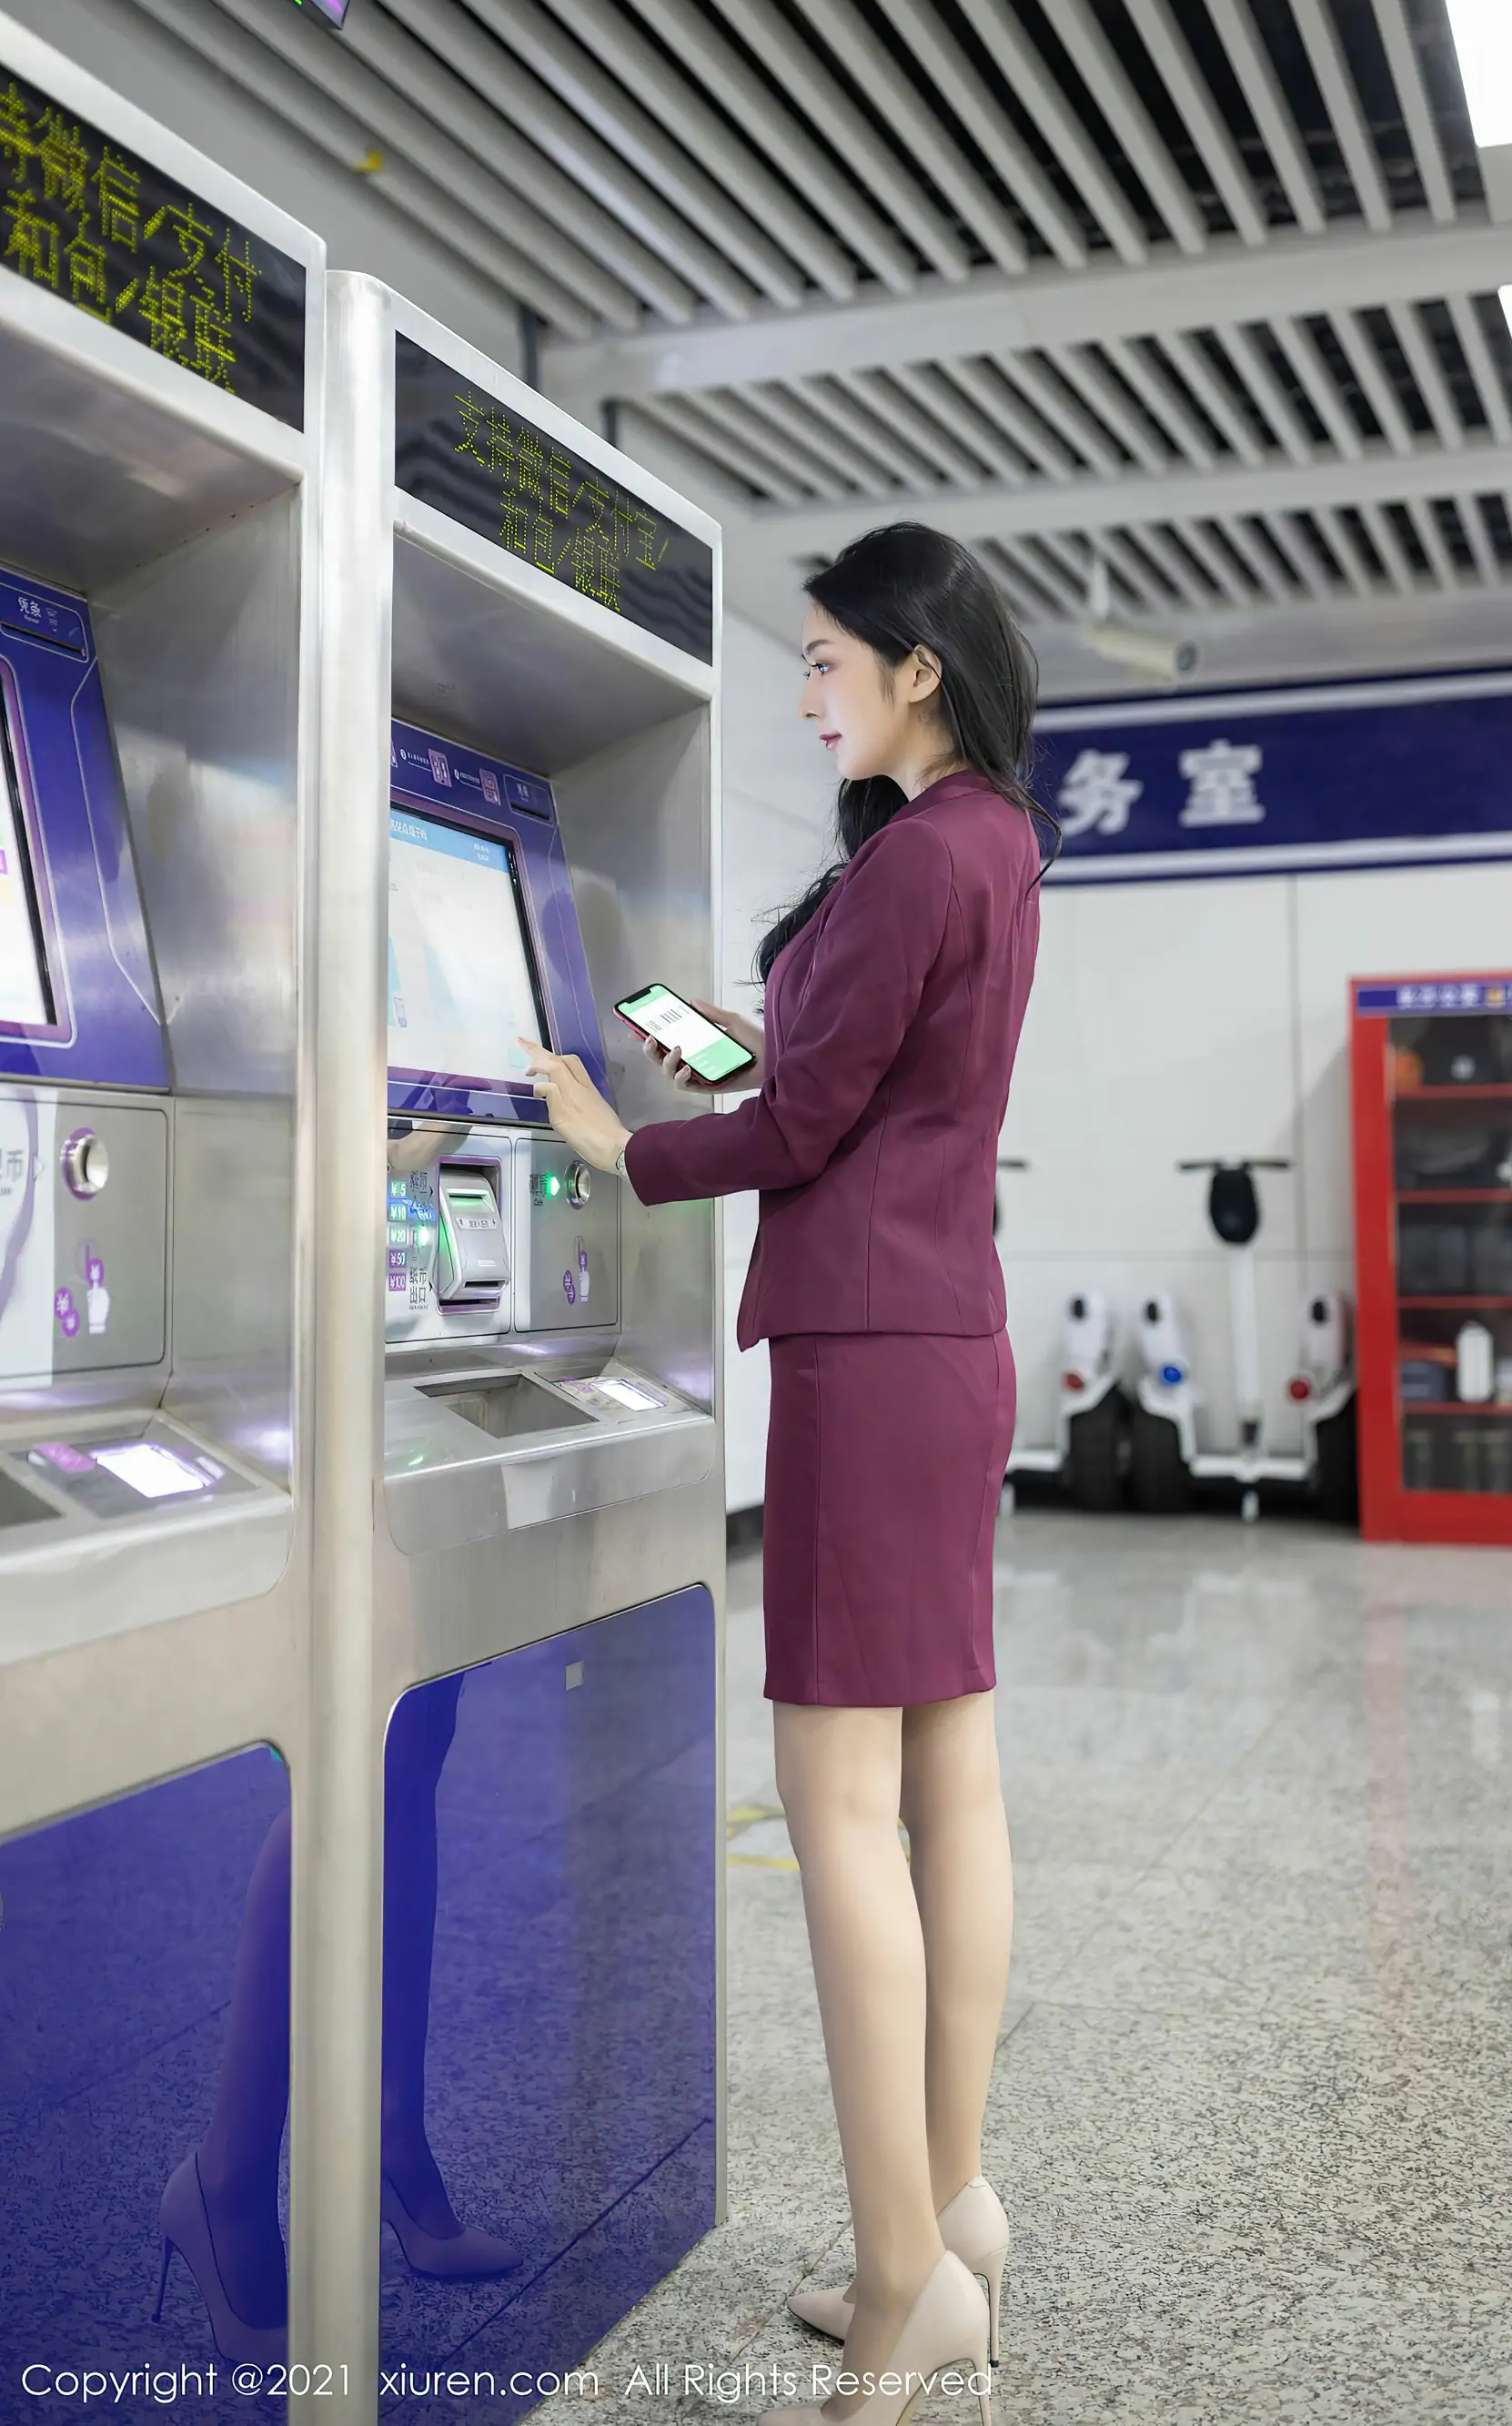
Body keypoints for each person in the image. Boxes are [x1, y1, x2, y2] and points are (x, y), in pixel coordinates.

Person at [523, 521, 1055, 2426]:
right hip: (950, 1339)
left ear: (918, 666)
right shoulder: (992, 841)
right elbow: (872, 1071)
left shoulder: (914, 855)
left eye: (827, 658)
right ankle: (950, 2207)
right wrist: (761, 1039)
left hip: (866, 1357)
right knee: (950, 1781)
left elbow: (813, 1123)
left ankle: (906, 2278)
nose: (808, 689)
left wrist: (620, 1146)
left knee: (836, 1806)